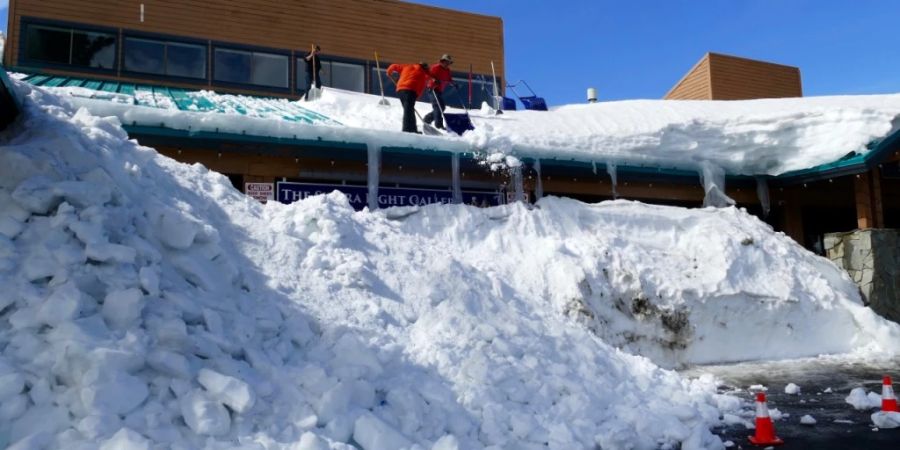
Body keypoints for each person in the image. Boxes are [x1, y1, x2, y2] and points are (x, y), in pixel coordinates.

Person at [386, 61, 432, 133]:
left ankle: (413, 129)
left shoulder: (407, 66)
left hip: (400, 89)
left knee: (409, 110)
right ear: (425, 68)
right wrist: (416, 97)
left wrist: (389, 72)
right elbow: (421, 87)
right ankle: (406, 129)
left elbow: (393, 66)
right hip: (410, 91)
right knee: (408, 110)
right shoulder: (423, 74)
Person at [423, 54, 454, 129]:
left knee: (442, 107)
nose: (447, 64)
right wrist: (433, 80)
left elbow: (449, 79)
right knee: (438, 106)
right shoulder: (435, 67)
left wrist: (453, 84)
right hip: (432, 89)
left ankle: (427, 119)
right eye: (446, 62)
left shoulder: (447, 70)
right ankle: (439, 125)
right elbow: (427, 75)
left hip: (439, 91)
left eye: (449, 63)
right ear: (442, 61)